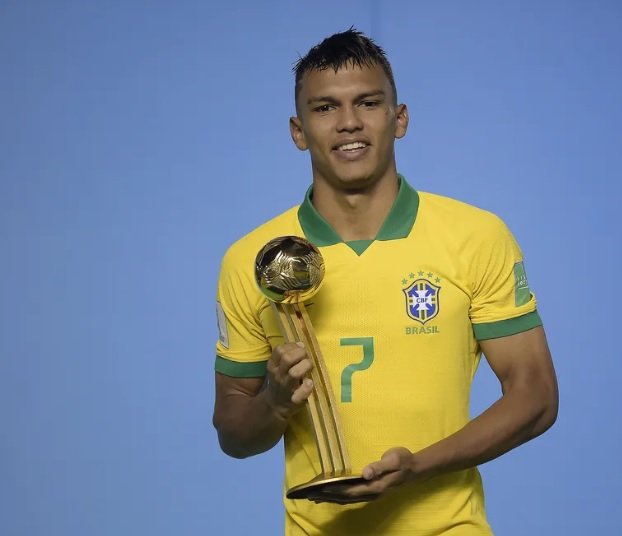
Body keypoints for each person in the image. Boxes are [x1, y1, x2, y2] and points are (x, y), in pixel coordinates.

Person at [212, 28, 559, 535]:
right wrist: (277, 400)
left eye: (368, 102)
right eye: (325, 108)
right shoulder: (255, 259)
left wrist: (419, 466)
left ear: (400, 119)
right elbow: (234, 435)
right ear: (298, 130)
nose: (349, 122)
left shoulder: (476, 236)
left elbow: (536, 396)